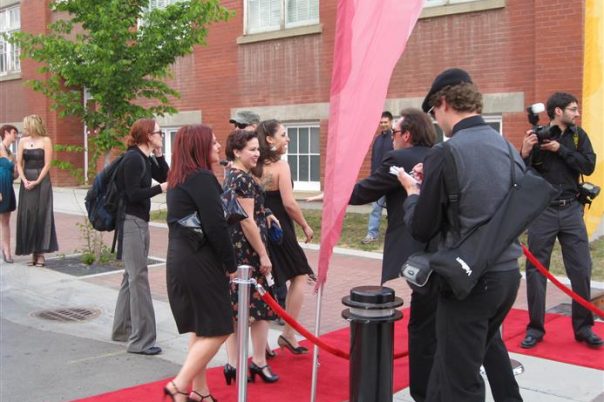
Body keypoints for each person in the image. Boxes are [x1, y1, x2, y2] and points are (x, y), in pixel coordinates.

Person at [398, 68, 523, 402]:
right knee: (450, 370)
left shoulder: (447, 151)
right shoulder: (507, 147)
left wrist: (412, 194)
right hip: (506, 274)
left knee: (460, 385)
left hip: (468, 280)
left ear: (443, 102)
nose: (436, 121)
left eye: (433, 112)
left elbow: (422, 227)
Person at [349, 108, 437, 401]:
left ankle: (423, 392)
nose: (392, 139)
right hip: (444, 247)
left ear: (407, 135)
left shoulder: (399, 158)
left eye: (395, 133)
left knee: (422, 326)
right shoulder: (439, 154)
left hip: (416, 244)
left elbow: (365, 191)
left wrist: (336, 193)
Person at [519, 92, 601, 349]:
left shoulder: (578, 136)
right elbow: (521, 172)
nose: (577, 113)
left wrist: (560, 149)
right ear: (557, 111)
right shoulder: (537, 134)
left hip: (571, 210)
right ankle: (535, 328)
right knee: (536, 271)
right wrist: (524, 151)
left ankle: (584, 328)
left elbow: (588, 166)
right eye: (573, 109)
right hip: (543, 212)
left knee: (581, 269)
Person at [163, 125, 236, 402]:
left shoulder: (179, 178)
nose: (218, 146)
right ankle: (180, 385)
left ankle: (200, 391)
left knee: (200, 327)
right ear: (200, 147)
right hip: (199, 260)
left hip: (181, 257)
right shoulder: (202, 178)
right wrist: (231, 265)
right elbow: (216, 226)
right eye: (213, 142)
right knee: (221, 328)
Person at [223, 129, 279, 384]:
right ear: (237, 151)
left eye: (258, 149)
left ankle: (234, 363)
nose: (257, 154)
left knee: (238, 309)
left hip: (236, 249)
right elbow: (246, 221)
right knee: (260, 307)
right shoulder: (243, 179)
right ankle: (258, 361)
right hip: (248, 251)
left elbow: (245, 210)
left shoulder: (231, 174)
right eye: (252, 149)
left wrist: (266, 213)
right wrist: (264, 254)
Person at [254, 119, 315, 355]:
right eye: (283, 134)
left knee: (262, 282)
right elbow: (289, 203)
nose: (287, 139)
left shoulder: (252, 164)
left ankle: (262, 345)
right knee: (299, 274)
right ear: (269, 139)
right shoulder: (281, 166)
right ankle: (288, 333)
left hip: (257, 226)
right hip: (280, 228)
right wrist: (305, 225)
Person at [111, 118, 169, 356]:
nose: (161, 135)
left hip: (138, 221)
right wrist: (160, 189)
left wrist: (159, 154)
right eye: (159, 133)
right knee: (138, 278)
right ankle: (141, 341)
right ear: (147, 135)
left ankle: (122, 330)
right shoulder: (134, 158)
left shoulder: (145, 158)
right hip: (131, 221)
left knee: (131, 276)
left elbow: (165, 176)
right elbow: (133, 194)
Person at [15, 115, 59, 265]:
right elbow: (19, 163)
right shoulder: (22, 141)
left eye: (26, 125)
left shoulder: (46, 140)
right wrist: (24, 179)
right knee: (28, 214)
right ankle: (32, 251)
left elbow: (47, 164)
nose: (24, 128)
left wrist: (37, 181)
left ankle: (40, 254)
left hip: (42, 181)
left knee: (41, 214)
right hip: (26, 180)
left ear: (33, 126)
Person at [361, 111, 393, 244]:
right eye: (381, 122)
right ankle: (372, 234)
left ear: (391, 122)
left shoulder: (395, 138)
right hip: (378, 181)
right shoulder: (377, 140)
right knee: (375, 209)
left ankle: (394, 235)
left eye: (385, 122)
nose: (383, 124)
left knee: (394, 210)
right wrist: (373, 177)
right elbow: (374, 160)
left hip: (392, 180)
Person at [0, 124, 18, 263]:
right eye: (14, 133)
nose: (15, 136)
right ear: (6, 133)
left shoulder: (11, 153)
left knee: (6, 221)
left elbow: (15, 175)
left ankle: (7, 251)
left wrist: (17, 170)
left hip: (8, 187)